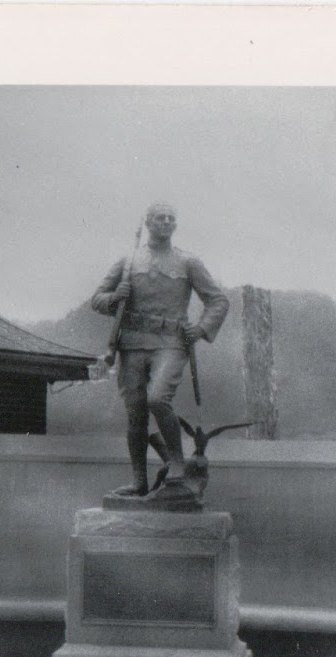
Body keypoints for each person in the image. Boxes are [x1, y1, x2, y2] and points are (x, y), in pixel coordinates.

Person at [91, 202, 229, 499]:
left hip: (170, 343)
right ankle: (139, 481)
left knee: (157, 398)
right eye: (160, 217)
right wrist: (115, 296)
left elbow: (218, 301)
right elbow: (97, 299)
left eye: (171, 218)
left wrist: (201, 329)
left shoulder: (188, 262)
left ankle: (177, 464)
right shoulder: (128, 260)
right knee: (136, 412)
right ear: (148, 223)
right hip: (132, 344)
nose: (167, 222)